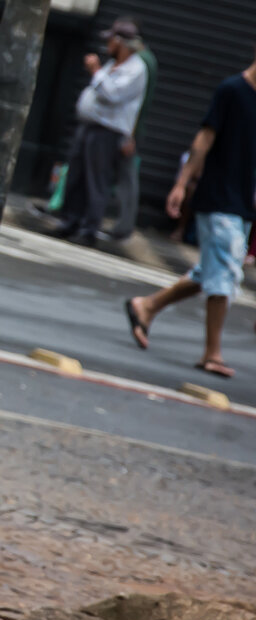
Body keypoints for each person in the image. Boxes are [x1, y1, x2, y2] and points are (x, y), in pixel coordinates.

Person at [124, 50, 256, 378]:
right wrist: (181, 185)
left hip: (243, 202)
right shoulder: (231, 90)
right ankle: (212, 353)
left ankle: (147, 306)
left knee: (212, 270)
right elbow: (204, 139)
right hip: (216, 197)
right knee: (224, 271)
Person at [52, 18, 148, 247]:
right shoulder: (112, 64)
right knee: (76, 176)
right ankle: (70, 222)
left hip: (108, 133)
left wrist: (95, 71)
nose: (106, 45)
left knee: (97, 181)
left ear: (121, 42)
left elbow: (112, 95)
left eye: (111, 41)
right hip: (90, 127)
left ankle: (88, 229)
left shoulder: (136, 70)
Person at [106, 27, 158, 241]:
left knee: (126, 178)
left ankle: (124, 226)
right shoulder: (144, 59)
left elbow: (138, 103)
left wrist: (131, 134)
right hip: (128, 127)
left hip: (129, 128)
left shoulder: (141, 62)